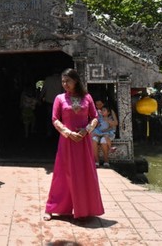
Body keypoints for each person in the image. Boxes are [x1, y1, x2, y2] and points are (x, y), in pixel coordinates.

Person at [43, 68, 104, 221]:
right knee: (62, 174)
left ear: (76, 80)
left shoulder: (87, 98)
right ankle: (52, 208)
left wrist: (86, 131)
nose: (65, 84)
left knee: (84, 174)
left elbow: (95, 117)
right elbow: (55, 119)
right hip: (67, 141)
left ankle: (83, 209)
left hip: (83, 142)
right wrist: (68, 133)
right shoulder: (59, 98)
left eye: (67, 81)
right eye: (63, 81)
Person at [40, 69, 63, 136]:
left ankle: (49, 132)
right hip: (59, 102)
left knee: (49, 117)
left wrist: (40, 97)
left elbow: (44, 89)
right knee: (59, 117)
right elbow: (64, 90)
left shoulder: (48, 79)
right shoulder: (61, 79)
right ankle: (58, 132)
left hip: (49, 101)